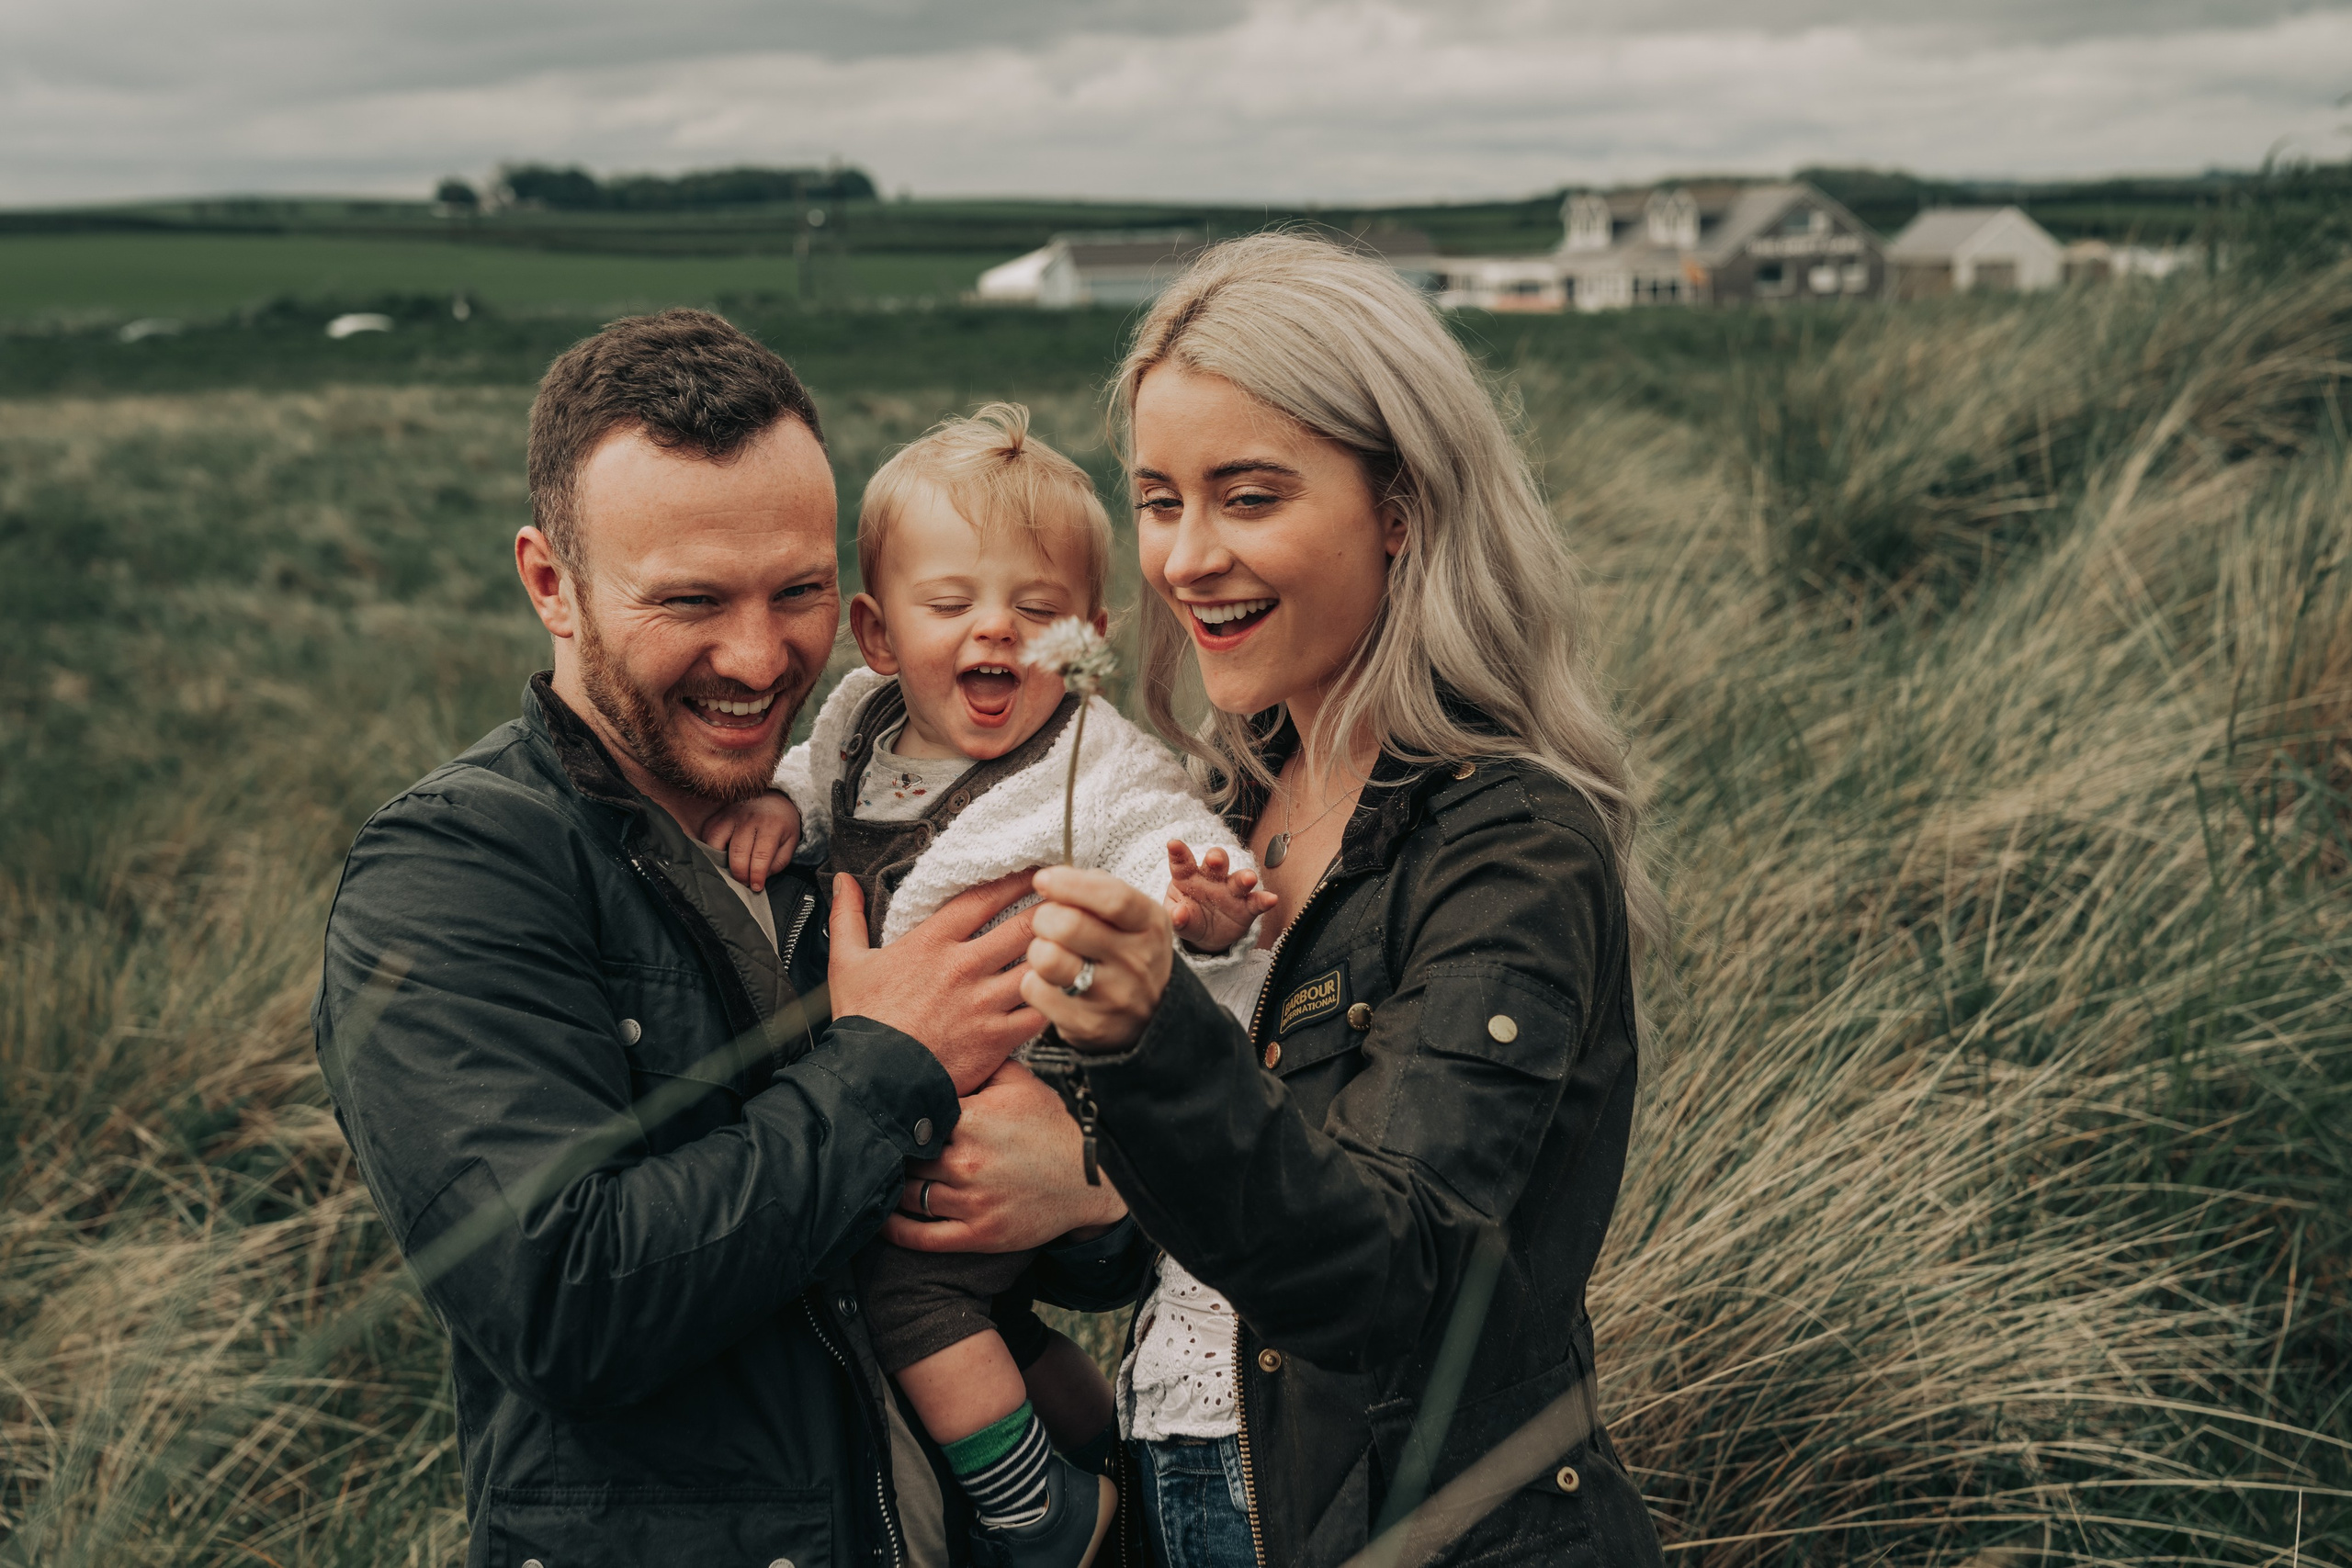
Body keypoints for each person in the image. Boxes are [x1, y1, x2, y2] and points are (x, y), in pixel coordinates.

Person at [311, 309, 1129, 1568]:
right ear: (549, 582)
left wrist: (1090, 1183)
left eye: (798, 591)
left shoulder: (880, 810)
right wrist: (890, 1060)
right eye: (690, 599)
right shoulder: (455, 872)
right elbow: (562, 1298)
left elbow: (1101, 1251)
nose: (758, 658)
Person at [1008, 235, 1672, 1567]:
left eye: (1248, 495)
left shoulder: (1509, 846)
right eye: (1158, 499)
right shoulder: (1215, 813)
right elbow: (1157, 1259)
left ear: (1401, 507)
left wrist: (1151, 1044)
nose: (1188, 557)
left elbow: (1388, 1276)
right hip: (1185, 1507)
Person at [703, 404, 1274, 1567]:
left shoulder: (1088, 758)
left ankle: (1039, 1514)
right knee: (980, 1317)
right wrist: (781, 808)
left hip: (1030, 1095)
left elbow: (1158, 835)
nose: (996, 635)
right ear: (875, 631)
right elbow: (816, 779)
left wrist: (1201, 905)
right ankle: (1090, 1439)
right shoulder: (861, 721)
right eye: (951, 605)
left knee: (899, 1291)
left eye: (1039, 610)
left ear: (1090, 633)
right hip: (908, 1084)